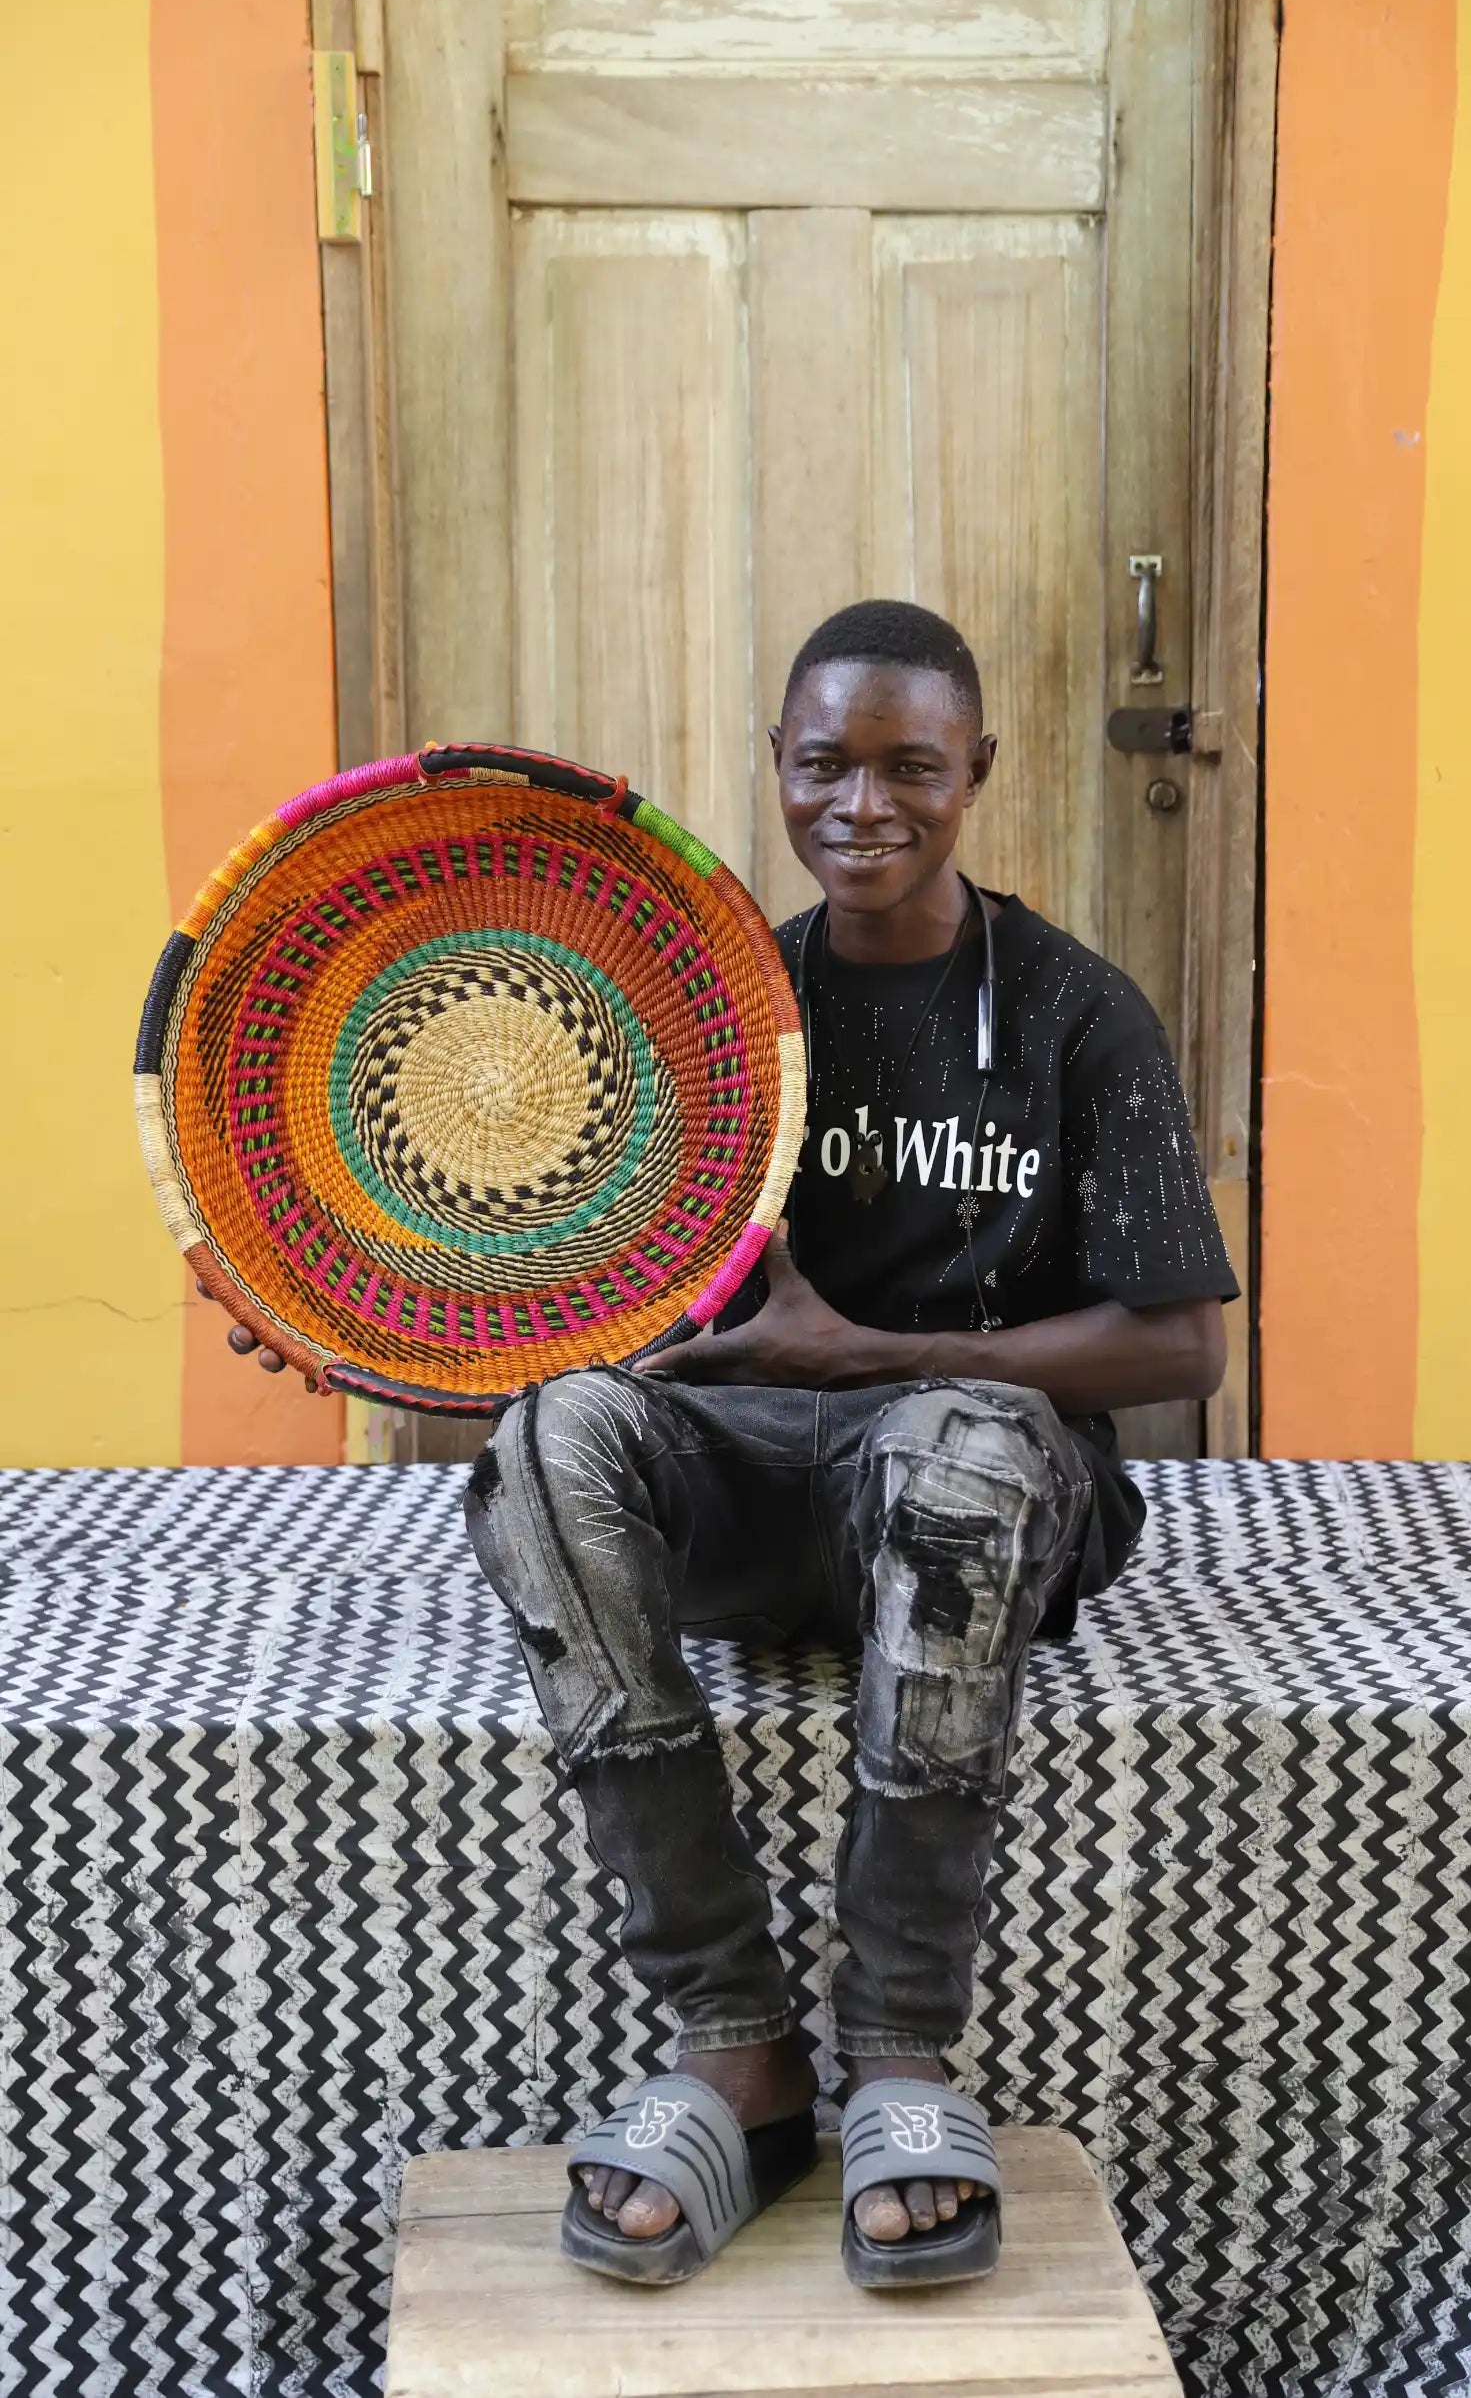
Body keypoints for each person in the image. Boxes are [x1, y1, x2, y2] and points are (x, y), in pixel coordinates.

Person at [223, 598, 1238, 2287]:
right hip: (751, 1483)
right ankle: (738, 2045)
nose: (864, 804)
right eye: (824, 763)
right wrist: (344, 1320)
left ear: (978, 770)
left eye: (912, 767)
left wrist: (878, 1350)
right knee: (552, 1436)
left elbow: (1183, 1343)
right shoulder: (710, 1009)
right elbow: (585, 1302)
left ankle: (899, 2048)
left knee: (959, 1449)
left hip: (978, 1492)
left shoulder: (1076, 1013)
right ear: (775, 763)